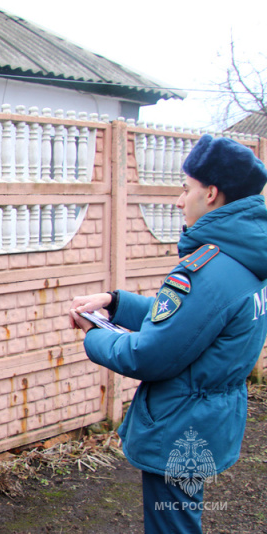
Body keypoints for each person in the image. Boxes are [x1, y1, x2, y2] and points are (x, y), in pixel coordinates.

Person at [68, 134, 267, 533]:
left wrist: (94, 334)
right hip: (210, 415)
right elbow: (189, 322)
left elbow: (149, 355)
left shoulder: (207, 270)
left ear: (210, 194)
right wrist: (115, 302)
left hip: (180, 423)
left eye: (185, 188)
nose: (179, 199)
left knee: (172, 526)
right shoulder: (248, 260)